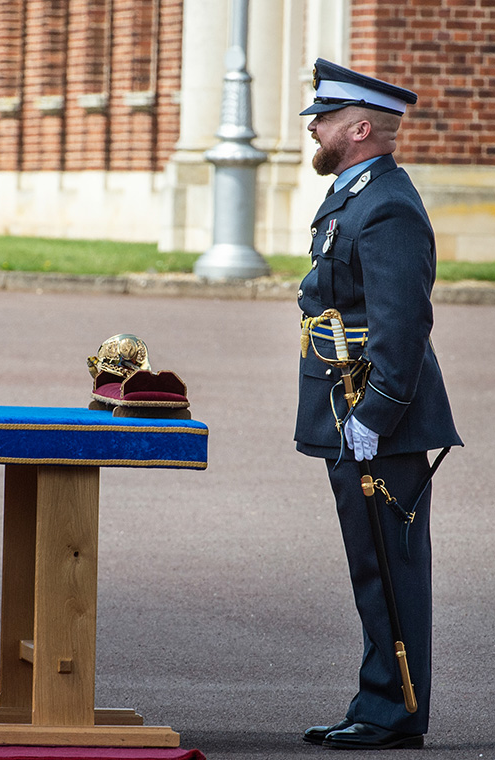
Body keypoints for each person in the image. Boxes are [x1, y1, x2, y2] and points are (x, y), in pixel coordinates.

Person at [294, 59, 461, 750]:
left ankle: (394, 713)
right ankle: (378, 702)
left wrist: (376, 413)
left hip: (374, 419)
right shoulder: (355, 193)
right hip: (349, 407)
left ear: (360, 129)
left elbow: (401, 323)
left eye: (325, 119)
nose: (315, 128)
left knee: (389, 568)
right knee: (373, 565)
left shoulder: (386, 203)